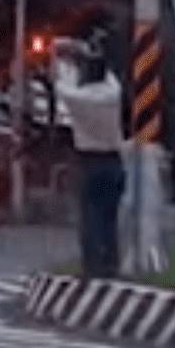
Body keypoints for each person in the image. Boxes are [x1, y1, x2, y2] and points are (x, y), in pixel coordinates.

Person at [53, 35, 126, 278]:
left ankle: (92, 267)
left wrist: (58, 54)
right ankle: (111, 264)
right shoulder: (112, 93)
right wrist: (82, 49)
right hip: (114, 161)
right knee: (109, 218)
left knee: (89, 218)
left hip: (88, 161)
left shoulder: (77, 98)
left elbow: (59, 81)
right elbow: (107, 74)